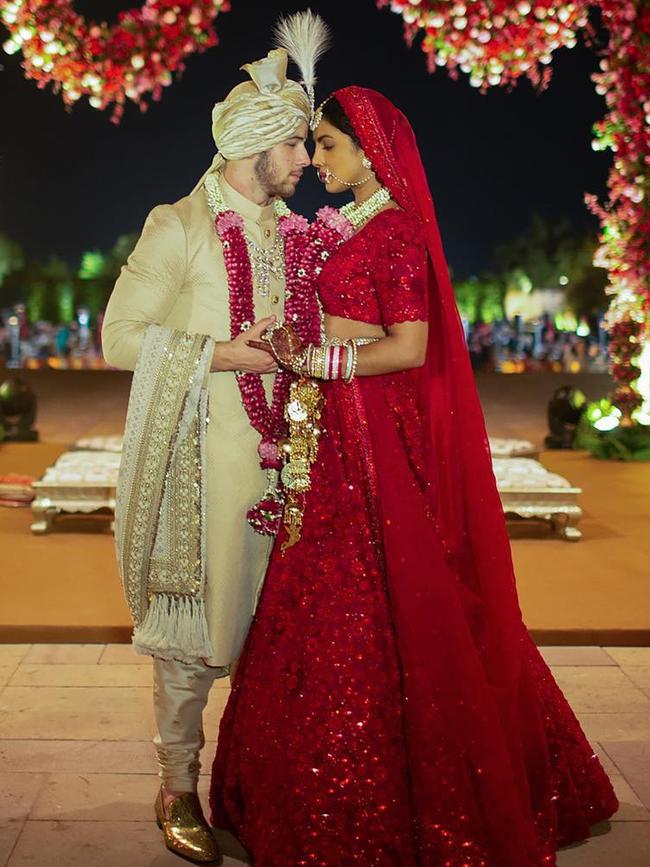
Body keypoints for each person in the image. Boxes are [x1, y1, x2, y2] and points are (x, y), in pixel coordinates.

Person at [209, 86, 618, 866]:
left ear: (370, 151)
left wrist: (315, 357)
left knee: (390, 590)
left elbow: (407, 345)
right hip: (341, 429)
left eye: (327, 143)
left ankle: (407, 796)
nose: (317, 157)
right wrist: (301, 339)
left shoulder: (394, 231)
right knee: (333, 593)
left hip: (372, 438)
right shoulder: (355, 226)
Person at [101, 21, 329, 861]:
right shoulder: (180, 226)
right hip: (199, 466)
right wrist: (221, 355)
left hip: (287, 470)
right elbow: (118, 338)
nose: (308, 162)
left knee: (282, 634)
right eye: (299, 146)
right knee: (192, 640)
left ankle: (260, 779)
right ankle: (179, 784)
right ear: (259, 144)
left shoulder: (293, 236)